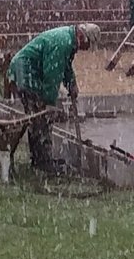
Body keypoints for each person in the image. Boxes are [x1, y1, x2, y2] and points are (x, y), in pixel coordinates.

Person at [7, 23, 99, 173]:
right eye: (87, 45)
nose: (86, 49)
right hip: (26, 72)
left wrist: (72, 84)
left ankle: (40, 159)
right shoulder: (63, 43)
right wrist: (49, 102)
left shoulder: (69, 41)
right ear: (82, 37)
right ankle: (43, 162)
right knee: (40, 117)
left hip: (27, 70)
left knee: (37, 118)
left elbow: (65, 66)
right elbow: (52, 75)